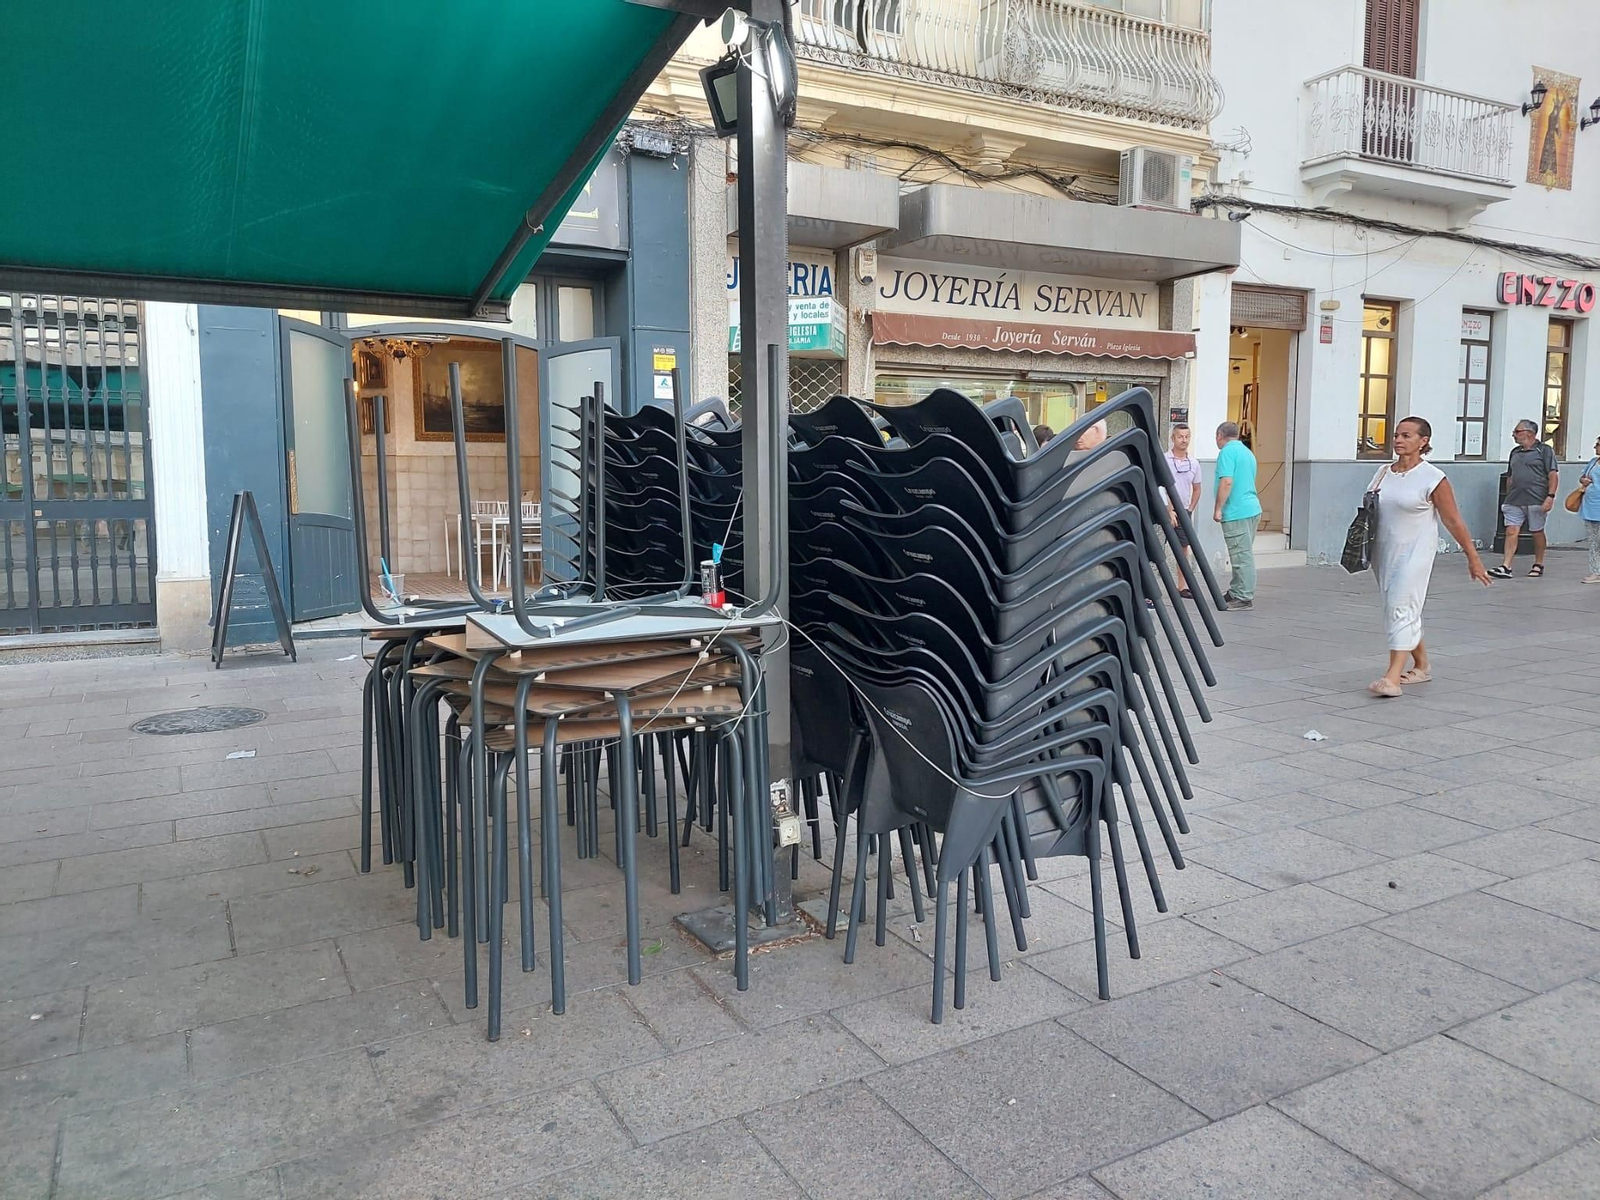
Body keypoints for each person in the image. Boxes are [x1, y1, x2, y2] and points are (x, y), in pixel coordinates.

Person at [1367, 416, 1491, 698]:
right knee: (1399, 608)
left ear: (1423, 442)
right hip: (1383, 552)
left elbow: (1454, 521)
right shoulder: (1383, 472)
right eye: (1397, 434)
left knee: (1401, 606)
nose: (1398, 440)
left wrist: (1473, 558)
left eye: (1407, 435)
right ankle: (1421, 665)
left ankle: (1392, 677)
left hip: (1415, 553)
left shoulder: (1433, 478)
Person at [1488, 419, 1559, 578]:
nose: (1513, 435)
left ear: (1529, 433)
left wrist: (1550, 496)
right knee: (1511, 530)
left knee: (1536, 531)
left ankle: (1538, 563)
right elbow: (1511, 475)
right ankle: (1506, 566)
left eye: (1517, 431)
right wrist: (1507, 496)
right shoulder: (1515, 452)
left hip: (1536, 498)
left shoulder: (1544, 451)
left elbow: (1553, 474)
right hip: (1514, 499)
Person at [1213, 421, 1260, 610]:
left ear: (1219, 435)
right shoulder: (1248, 453)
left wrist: (1218, 508)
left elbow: (1226, 482)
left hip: (1236, 511)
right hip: (1251, 508)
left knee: (1241, 556)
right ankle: (1235, 590)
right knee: (1242, 552)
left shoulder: (1227, 452)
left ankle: (1244, 596)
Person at [1163, 423, 1203, 599]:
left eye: (1187, 437)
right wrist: (1169, 509)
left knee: (1183, 548)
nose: (1184, 440)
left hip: (1184, 511)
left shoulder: (1194, 463)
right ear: (1173, 438)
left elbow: (1197, 488)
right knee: (1155, 546)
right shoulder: (1164, 460)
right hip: (1163, 509)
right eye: (1180, 436)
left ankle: (1182, 586)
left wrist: (1190, 509)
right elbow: (1160, 486)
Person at [1580, 434, 1600, 584]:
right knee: (1593, 541)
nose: (1595, 447)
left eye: (1597, 445)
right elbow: (1583, 476)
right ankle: (1596, 571)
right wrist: (1584, 480)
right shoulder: (1593, 462)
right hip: (1590, 506)